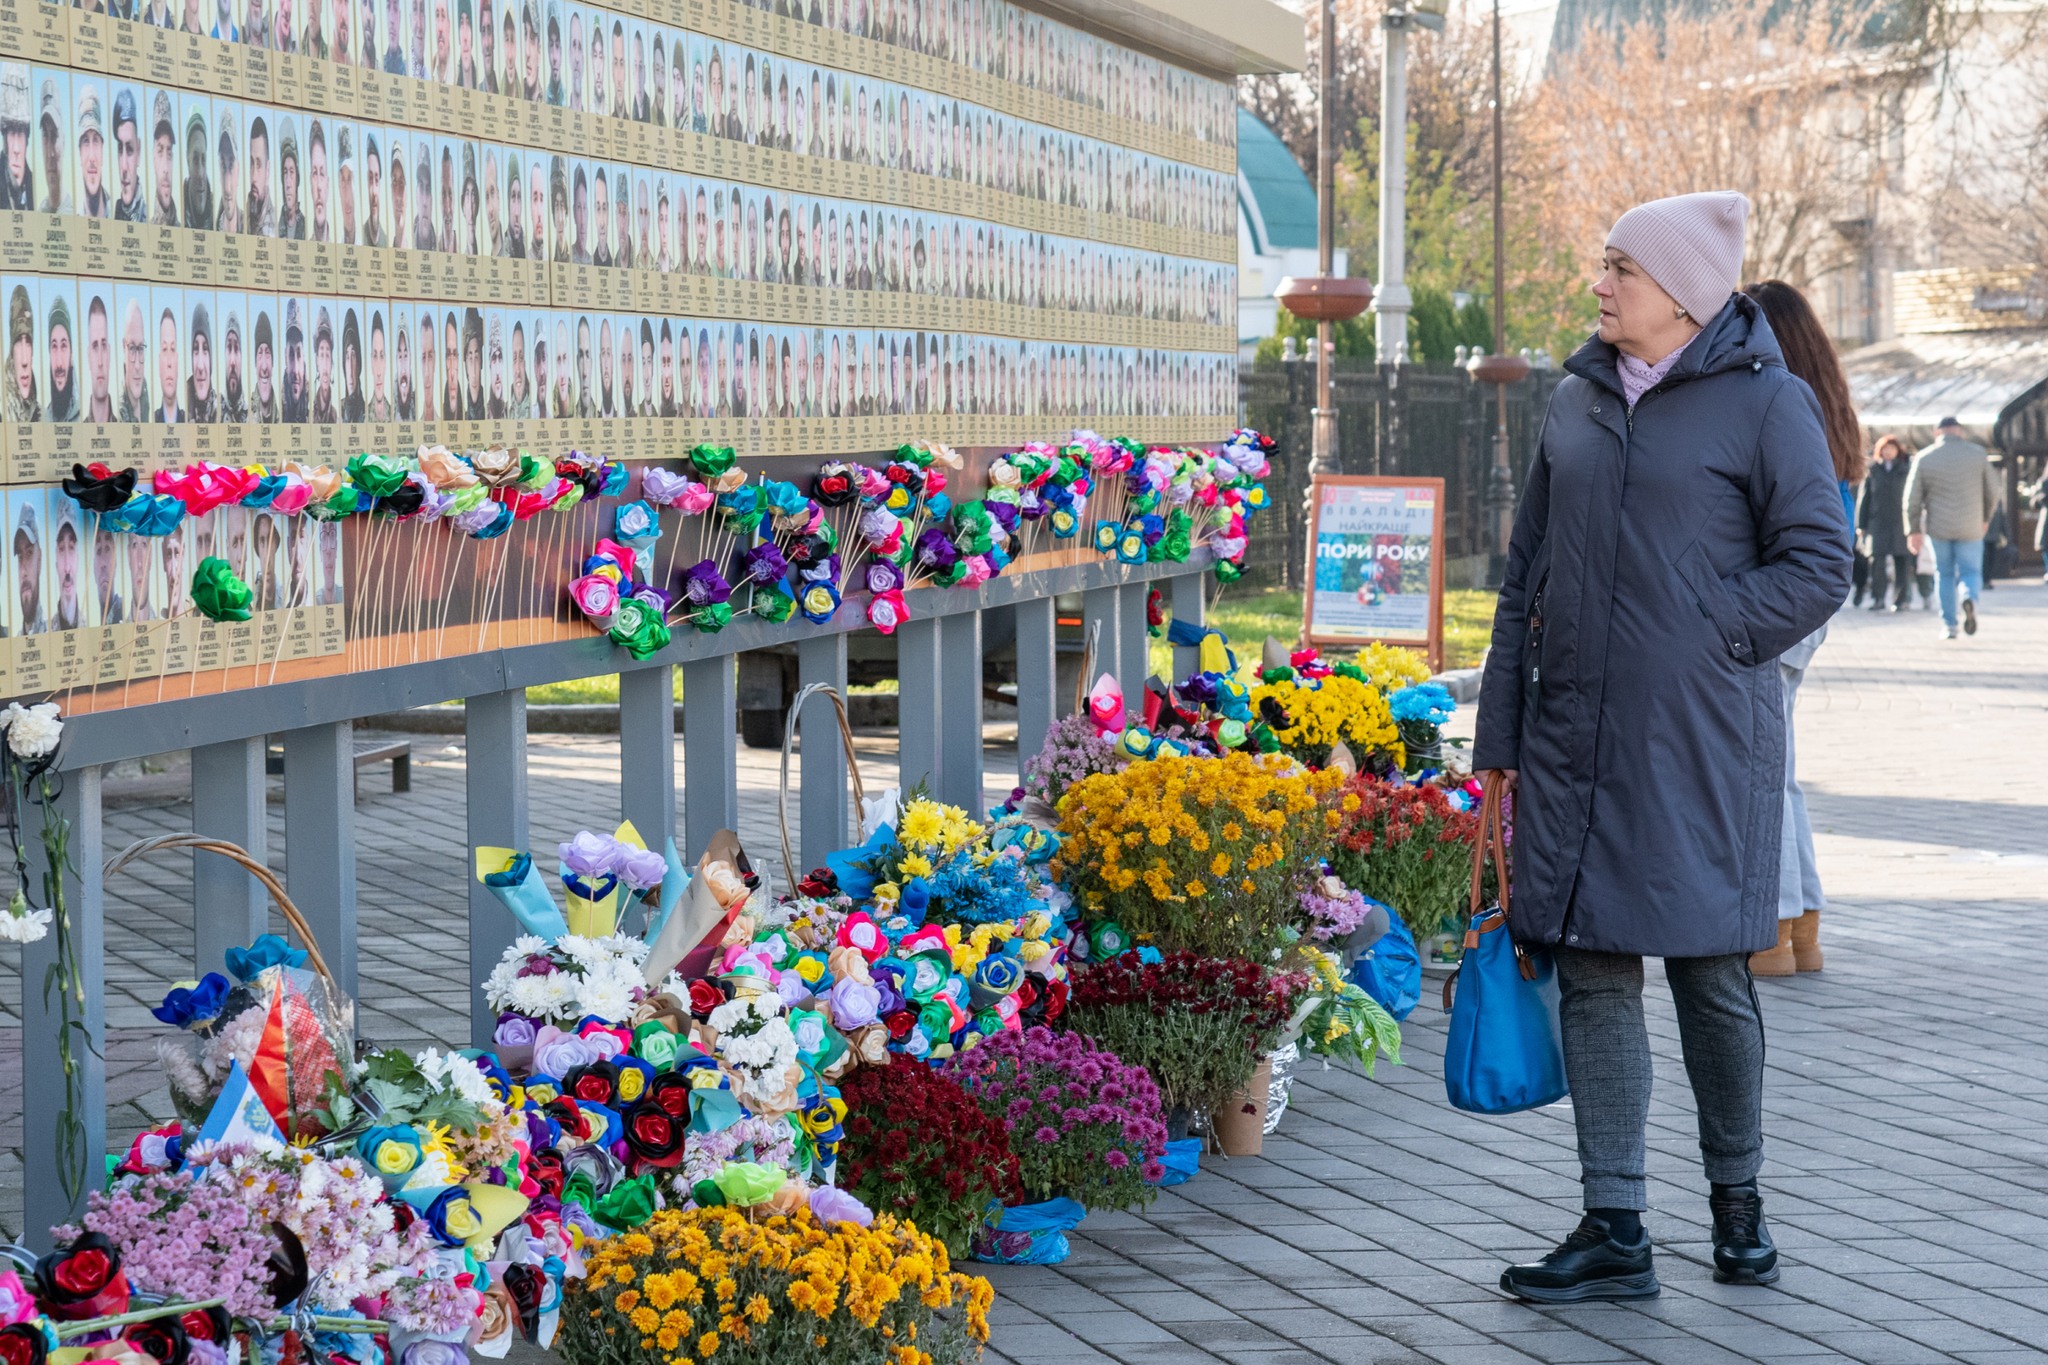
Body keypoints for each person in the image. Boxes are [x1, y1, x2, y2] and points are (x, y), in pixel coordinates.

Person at [1477, 192, 1849, 1303]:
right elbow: (1520, 577)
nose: (1599, 284)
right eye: (1601, 264)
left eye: (1619, 268)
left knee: (1706, 976)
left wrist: (1705, 632)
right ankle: (1613, 1227)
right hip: (1569, 741)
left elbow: (1819, 562)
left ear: (1681, 294)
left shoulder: (1763, 403)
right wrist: (1497, 735)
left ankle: (1737, 1209)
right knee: (1591, 973)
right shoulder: (1576, 404)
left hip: (1697, 743)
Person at [1740, 280, 1862, 978]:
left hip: (1780, 597)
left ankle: (1774, 928)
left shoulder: (1783, 404)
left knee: (1764, 768)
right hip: (1813, 599)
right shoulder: (1829, 406)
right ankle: (1802, 923)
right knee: (1780, 769)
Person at [1904, 417, 2001, 639]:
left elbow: (1912, 499)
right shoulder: (1977, 454)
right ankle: (1969, 597)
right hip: (1971, 526)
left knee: (1944, 574)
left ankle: (1949, 624)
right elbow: (1994, 491)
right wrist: (1985, 517)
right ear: (1960, 431)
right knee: (1971, 571)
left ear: (1937, 432)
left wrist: (1914, 530)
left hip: (1939, 528)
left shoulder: (1925, 457)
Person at [1858, 435, 1917, 611]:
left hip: (1901, 523)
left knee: (1902, 563)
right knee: (1877, 563)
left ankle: (1900, 600)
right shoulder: (1873, 471)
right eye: (1885, 449)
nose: (1888, 452)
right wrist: (1862, 524)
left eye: (1891, 448)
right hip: (1878, 523)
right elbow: (1865, 499)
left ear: (1898, 450)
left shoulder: (1906, 469)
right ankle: (1878, 598)